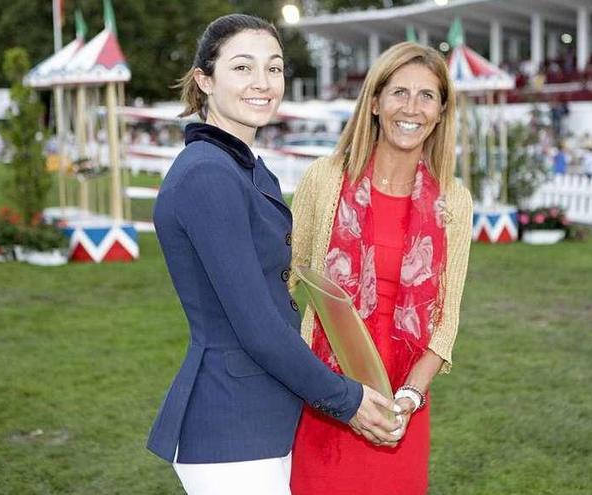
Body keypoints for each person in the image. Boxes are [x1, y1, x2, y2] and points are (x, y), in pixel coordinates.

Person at [145, 14, 401, 495]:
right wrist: (347, 399)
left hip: (260, 413)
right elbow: (257, 325)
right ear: (205, 80)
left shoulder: (239, 168)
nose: (263, 83)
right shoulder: (208, 175)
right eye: (242, 68)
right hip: (230, 424)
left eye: (274, 68)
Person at [288, 42, 473, 495]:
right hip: (326, 393)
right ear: (374, 102)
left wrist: (408, 398)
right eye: (399, 93)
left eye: (427, 96)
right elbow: (289, 278)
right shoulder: (325, 179)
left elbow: (445, 323)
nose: (412, 108)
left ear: (441, 111)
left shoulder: (455, 201)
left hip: (401, 405)